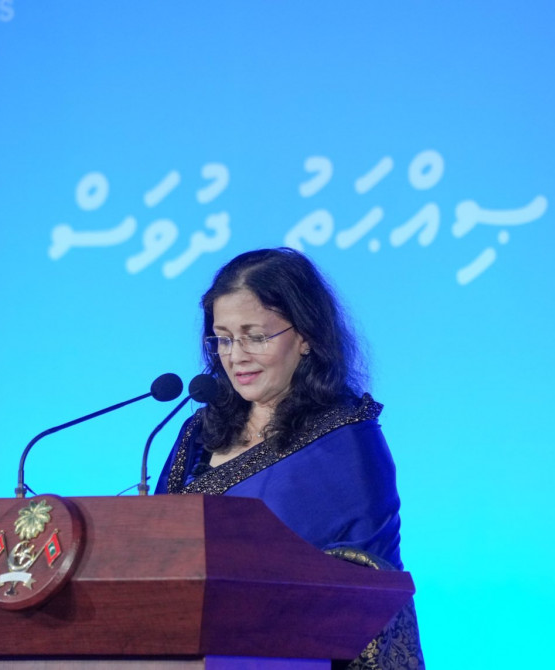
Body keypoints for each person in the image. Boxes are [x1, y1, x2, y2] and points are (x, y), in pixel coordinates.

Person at [156, 247, 423, 669]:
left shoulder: (345, 442)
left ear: (305, 337)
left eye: (255, 336)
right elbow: (155, 550)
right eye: (223, 338)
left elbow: (362, 583)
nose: (235, 355)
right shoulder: (200, 431)